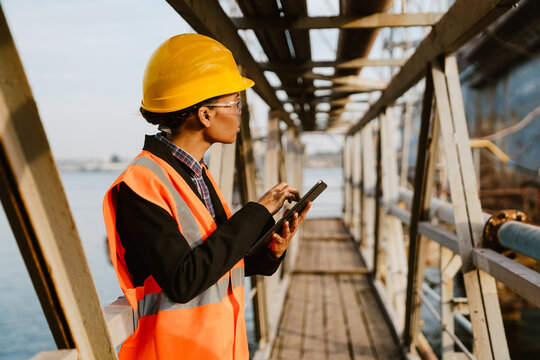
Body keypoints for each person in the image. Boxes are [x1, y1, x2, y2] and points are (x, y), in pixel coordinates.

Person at [103, 33, 311, 360]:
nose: (241, 113)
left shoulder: (197, 174)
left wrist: (269, 253)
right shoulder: (140, 183)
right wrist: (258, 210)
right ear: (205, 115)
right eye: (236, 104)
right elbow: (184, 280)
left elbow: (217, 262)